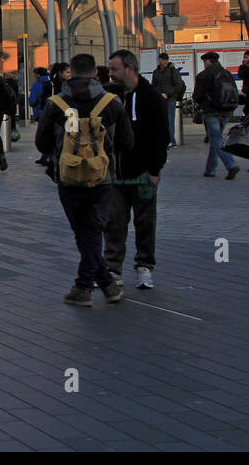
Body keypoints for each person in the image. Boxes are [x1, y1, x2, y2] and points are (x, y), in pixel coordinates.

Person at [34, 54, 132, 307]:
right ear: (95, 73)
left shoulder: (56, 103)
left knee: (83, 231)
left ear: (71, 73)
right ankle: (104, 285)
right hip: (102, 177)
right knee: (92, 230)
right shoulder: (112, 102)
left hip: (68, 177)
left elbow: (41, 143)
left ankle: (84, 286)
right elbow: (127, 142)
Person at [105, 49, 169, 291]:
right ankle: (113, 269)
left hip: (143, 173)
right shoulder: (110, 97)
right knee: (114, 223)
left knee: (145, 223)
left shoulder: (151, 97)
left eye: (115, 69)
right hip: (115, 174)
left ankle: (144, 266)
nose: (111, 74)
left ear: (129, 68)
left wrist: (155, 170)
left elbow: (161, 136)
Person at [193, 51, 240, 179]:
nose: (204, 64)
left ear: (208, 61)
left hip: (211, 112)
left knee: (216, 140)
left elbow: (196, 96)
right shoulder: (227, 74)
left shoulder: (203, 75)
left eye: (204, 62)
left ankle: (231, 165)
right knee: (216, 139)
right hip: (227, 111)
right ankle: (210, 169)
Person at [150, 52, 185, 149]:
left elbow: (179, 85)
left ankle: (171, 141)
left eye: (166, 59)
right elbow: (153, 85)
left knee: (169, 120)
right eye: (163, 59)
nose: (165, 61)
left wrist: (168, 94)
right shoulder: (156, 72)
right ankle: (166, 140)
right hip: (159, 99)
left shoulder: (173, 71)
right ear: (159, 60)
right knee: (161, 120)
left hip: (170, 99)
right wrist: (158, 94)